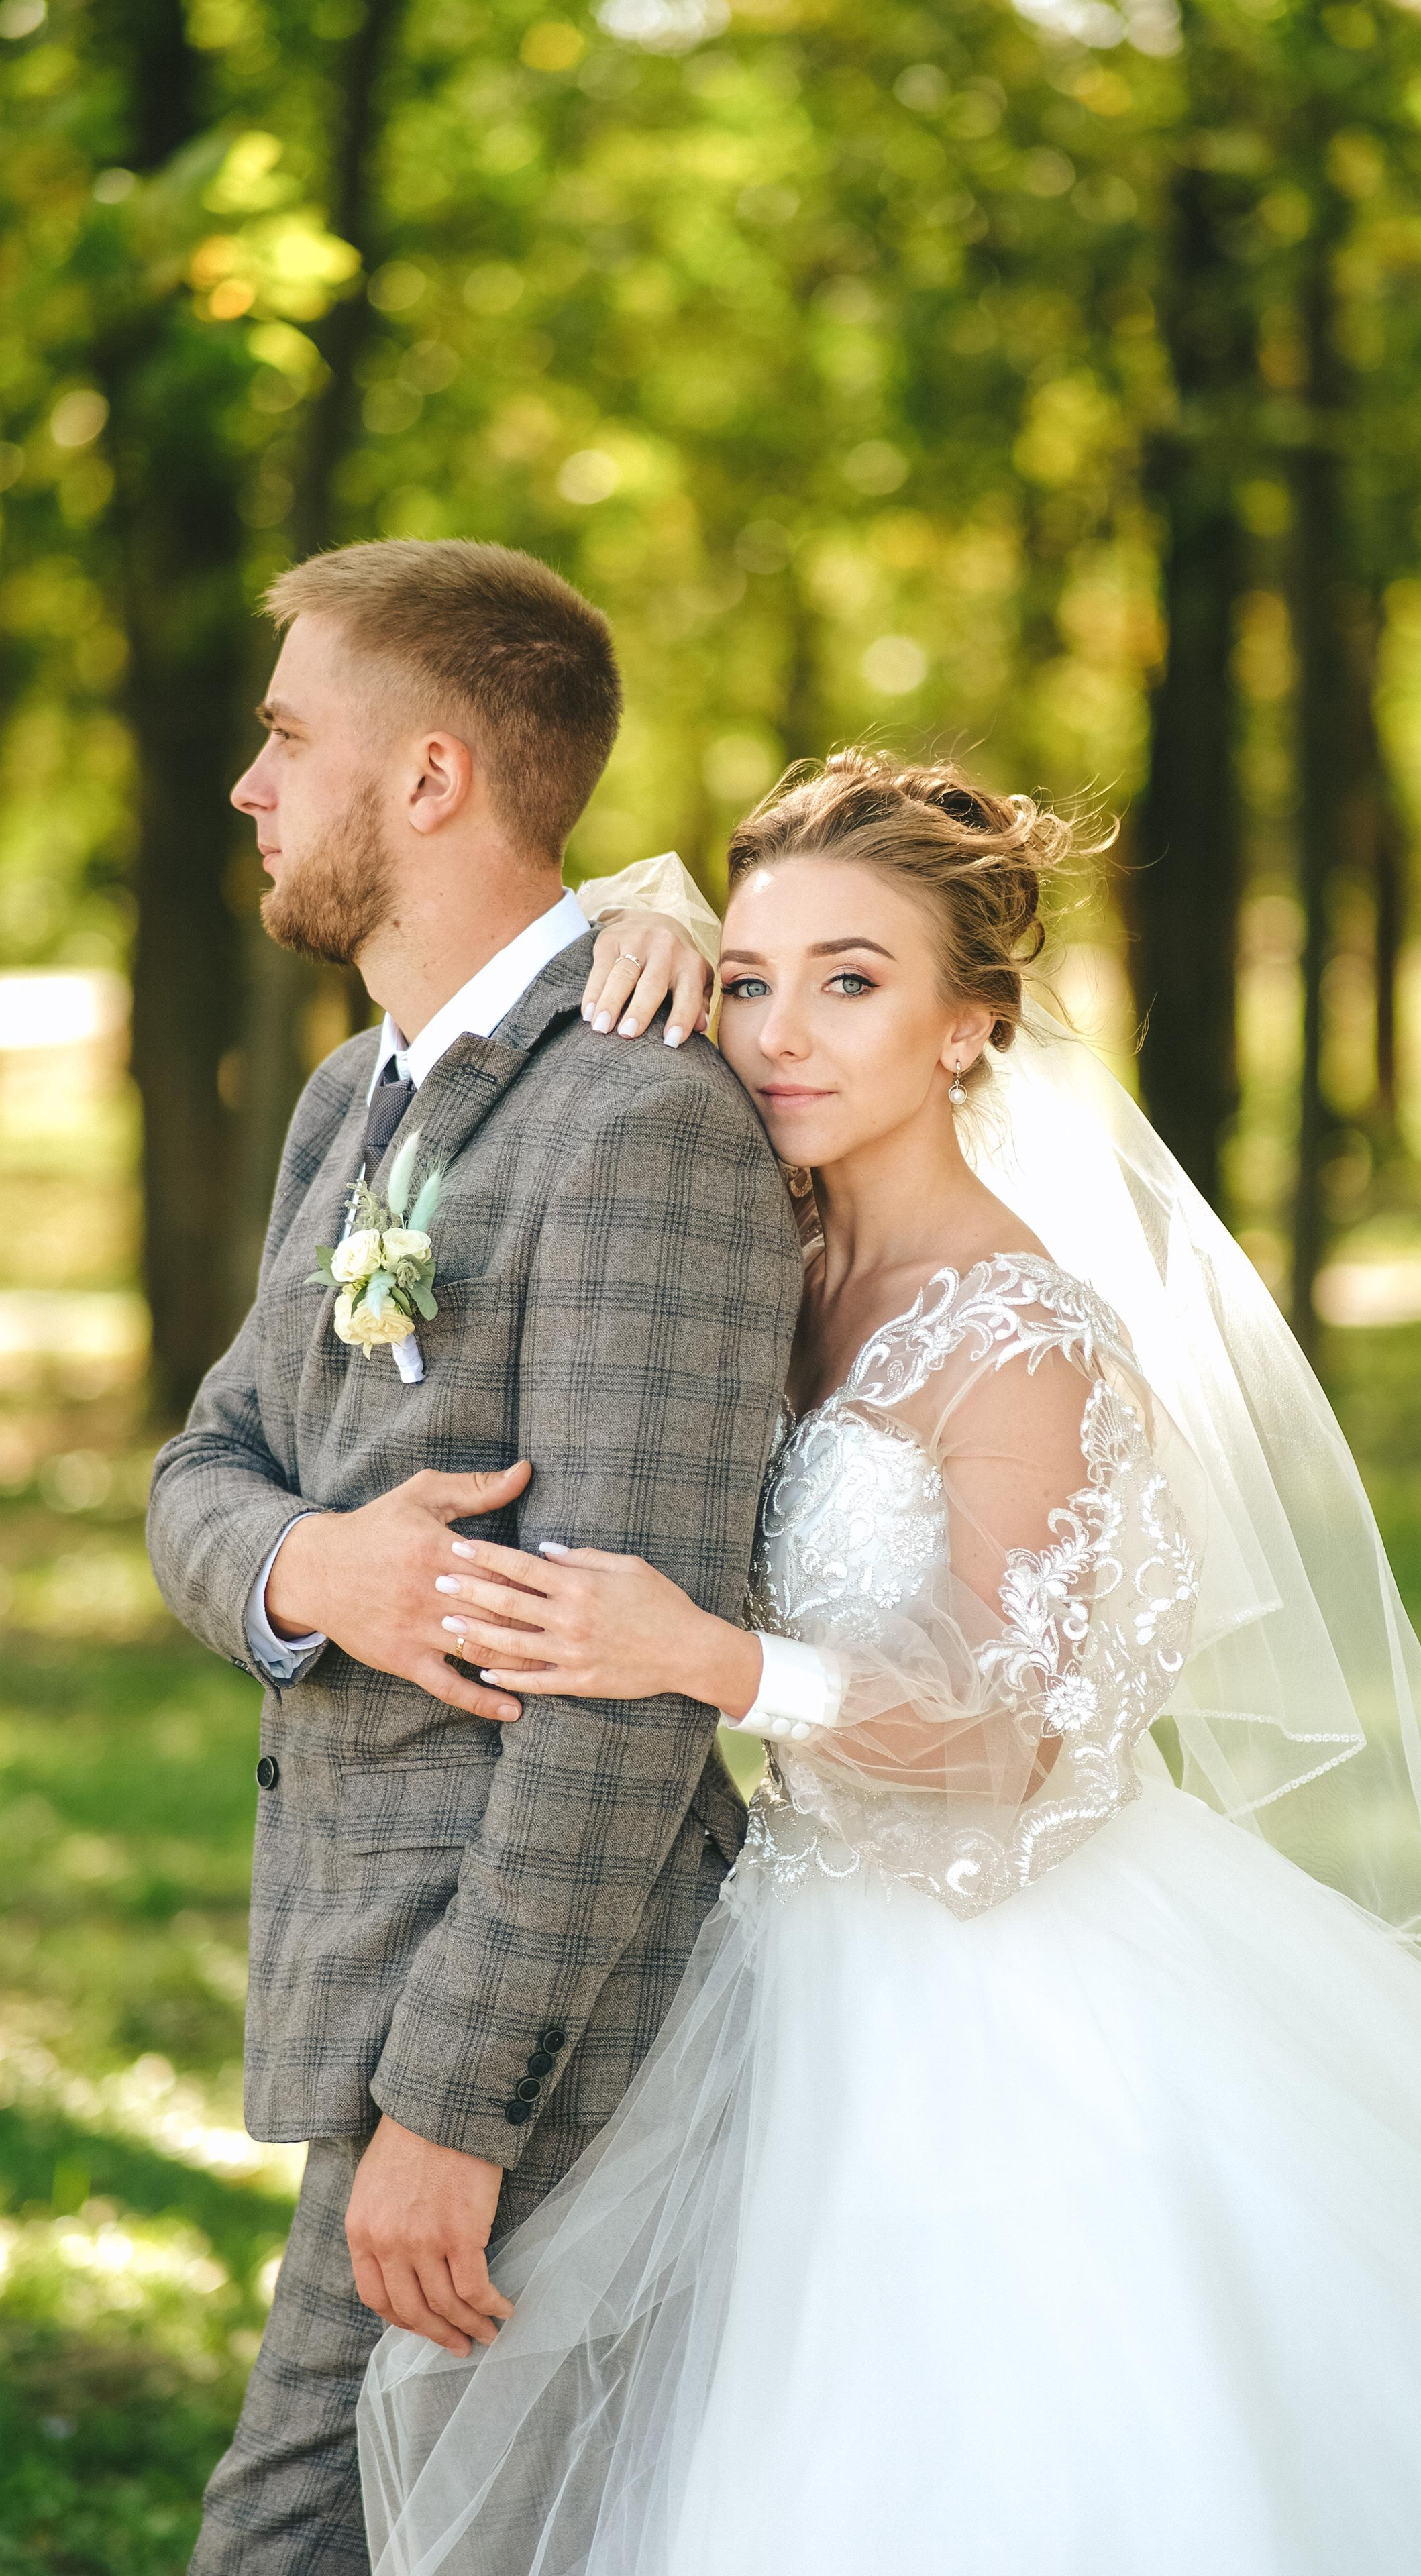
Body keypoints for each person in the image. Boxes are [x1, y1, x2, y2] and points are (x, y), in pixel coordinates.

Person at [358, 747, 1421, 2575]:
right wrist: (648, 915)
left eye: (856, 982)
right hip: (783, 1936)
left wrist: (713, 1662)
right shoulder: (774, 1249)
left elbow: (1019, 1743)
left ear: (971, 1031)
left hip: (1009, 1979)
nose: (782, 1035)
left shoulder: (1024, 1338)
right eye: (753, 983)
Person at [146, 537, 802, 2575]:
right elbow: (202, 1467)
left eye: (285, 737)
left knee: (300, 2535)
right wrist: (311, 1572)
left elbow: (624, 1679)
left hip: (524, 2020)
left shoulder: (641, 1126)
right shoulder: (356, 1093)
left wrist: (456, 2108)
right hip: (367, 1991)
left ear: (430, 777)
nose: (248, 786)